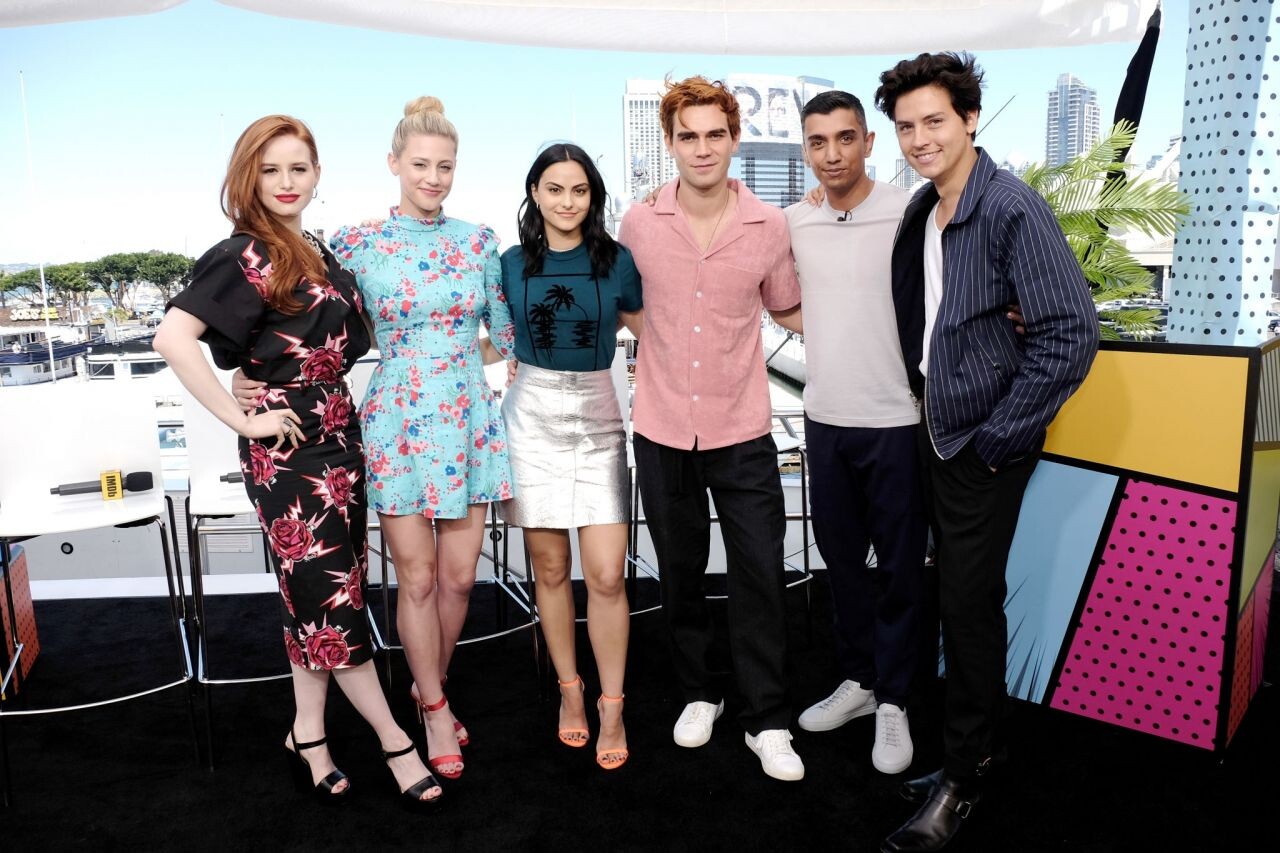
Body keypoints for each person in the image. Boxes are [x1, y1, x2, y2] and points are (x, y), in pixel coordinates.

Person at [154, 114, 442, 808]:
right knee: (331, 599)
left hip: (341, 437)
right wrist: (243, 416)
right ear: (247, 177)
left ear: (317, 175)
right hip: (286, 453)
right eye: (270, 170)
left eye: (298, 168)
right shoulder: (242, 253)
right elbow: (172, 338)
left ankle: (308, 733)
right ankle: (394, 741)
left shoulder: (313, 248)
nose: (286, 182)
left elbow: (307, 338)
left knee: (312, 599)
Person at [235, 97, 516, 783]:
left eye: (444, 166)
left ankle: (426, 689)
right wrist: (250, 373)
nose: (432, 177)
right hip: (395, 422)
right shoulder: (354, 244)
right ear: (394, 163)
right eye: (419, 164)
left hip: (467, 420)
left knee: (459, 578)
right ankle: (437, 711)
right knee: (415, 578)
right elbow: (304, 319)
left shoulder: (479, 240)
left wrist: (454, 361)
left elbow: (504, 334)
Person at [874, 53, 1099, 852]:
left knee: (966, 605)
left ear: (970, 119)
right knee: (960, 598)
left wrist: (999, 437)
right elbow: (932, 312)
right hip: (938, 428)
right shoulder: (924, 209)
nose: (919, 138)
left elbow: (1071, 332)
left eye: (935, 120)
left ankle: (963, 778)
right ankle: (976, 748)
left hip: (980, 441)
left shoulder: (1009, 208)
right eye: (906, 126)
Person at [619, 76, 806, 782]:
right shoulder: (640, 223)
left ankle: (768, 718)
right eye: (688, 136)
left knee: (761, 571)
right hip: (661, 425)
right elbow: (627, 305)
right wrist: (664, 342)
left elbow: (787, 307)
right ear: (670, 143)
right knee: (681, 572)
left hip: (743, 428)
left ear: (734, 139)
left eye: (714, 135)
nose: (702, 148)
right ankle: (700, 692)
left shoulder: (769, 225)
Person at [784, 90, 926, 776]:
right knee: (841, 564)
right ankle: (861, 681)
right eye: (818, 142)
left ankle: (895, 698)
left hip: (897, 418)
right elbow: (772, 290)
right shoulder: (794, 221)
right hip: (825, 419)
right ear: (805, 150)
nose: (833, 154)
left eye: (846, 138)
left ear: (870, 142)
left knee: (899, 568)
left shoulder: (911, 210)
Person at [499, 143, 643, 770]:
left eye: (579, 190)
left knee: (608, 574)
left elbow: (649, 327)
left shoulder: (618, 260)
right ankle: (570, 692)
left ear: (593, 197)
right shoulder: (508, 264)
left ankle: (613, 703)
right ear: (535, 193)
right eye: (554, 189)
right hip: (530, 416)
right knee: (551, 568)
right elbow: (488, 333)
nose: (567, 202)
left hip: (599, 411)